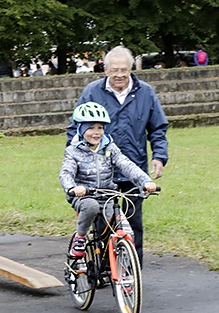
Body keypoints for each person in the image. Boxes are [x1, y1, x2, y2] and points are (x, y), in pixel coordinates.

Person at [66, 45, 169, 267]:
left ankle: (132, 272)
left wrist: (159, 157)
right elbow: (74, 129)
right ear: (105, 70)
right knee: (102, 222)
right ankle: (104, 269)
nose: (119, 74)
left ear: (131, 69)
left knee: (133, 223)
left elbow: (158, 128)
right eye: (114, 70)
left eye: (124, 69)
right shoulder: (92, 92)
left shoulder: (145, 92)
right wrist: (75, 164)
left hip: (133, 168)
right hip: (99, 173)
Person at [60, 102, 157, 257]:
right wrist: (72, 187)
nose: (96, 132)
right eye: (91, 128)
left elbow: (126, 164)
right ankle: (80, 237)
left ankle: (121, 268)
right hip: (84, 196)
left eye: (100, 128)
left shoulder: (109, 148)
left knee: (124, 230)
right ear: (81, 129)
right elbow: (66, 172)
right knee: (91, 206)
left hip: (107, 195)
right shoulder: (73, 151)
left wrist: (145, 181)